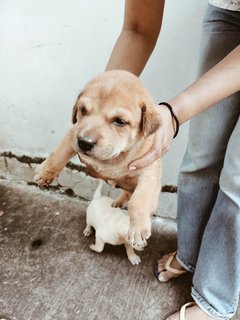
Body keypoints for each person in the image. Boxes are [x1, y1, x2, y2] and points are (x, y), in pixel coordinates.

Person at [106, 1, 240, 320]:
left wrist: (173, 115)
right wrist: (103, 113)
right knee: (201, 153)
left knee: (238, 179)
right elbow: (138, 28)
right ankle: (191, 255)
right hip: (229, 11)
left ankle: (215, 301)